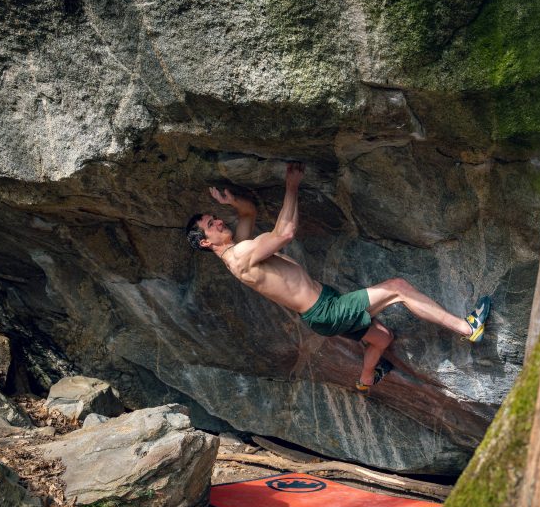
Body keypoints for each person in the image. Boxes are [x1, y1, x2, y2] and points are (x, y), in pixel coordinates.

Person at [186, 162, 491, 393]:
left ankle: (366, 379)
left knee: (382, 337)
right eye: (212, 224)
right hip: (326, 311)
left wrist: (232, 202)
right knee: (398, 288)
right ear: (205, 242)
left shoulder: (236, 249)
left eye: (216, 218)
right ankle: (467, 328)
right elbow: (285, 233)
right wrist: (291, 185)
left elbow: (249, 214)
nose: (219, 221)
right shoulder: (240, 256)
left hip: (321, 311)